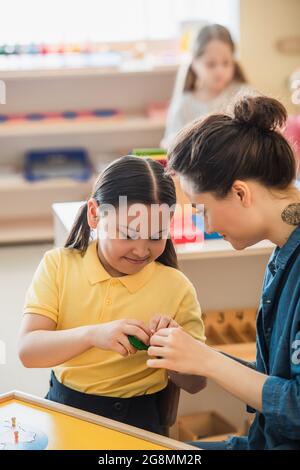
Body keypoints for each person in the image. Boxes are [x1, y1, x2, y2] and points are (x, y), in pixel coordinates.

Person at [148, 96, 300, 449]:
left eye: (202, 210)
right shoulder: (283, 250)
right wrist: (193, 355)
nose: (208, 225)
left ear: (240, 193)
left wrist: (205, 360)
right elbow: (274, 379)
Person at [18, 156, 205, 435]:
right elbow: (28, 352)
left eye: (157, 236)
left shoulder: (176, 287)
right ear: (95, 214)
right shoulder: (59, 265)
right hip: (67, 410)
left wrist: (174, 353)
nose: (141, 251)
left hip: (141, 422)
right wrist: (92, 335)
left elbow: (196, 383)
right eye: (128, 234)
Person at [162, 23, 253, 149]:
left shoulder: (245, 96)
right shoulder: (184, 104)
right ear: (194, 64)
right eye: (211, 64)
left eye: (226, 63)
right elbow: (170, 144)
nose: (219, 71)